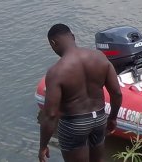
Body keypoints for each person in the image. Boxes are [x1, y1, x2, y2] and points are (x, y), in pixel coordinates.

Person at [38, 24, 122, 162]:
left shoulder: (56, 72)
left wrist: (43, 146)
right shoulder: (99, 57)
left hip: (74, 124)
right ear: (73, 37)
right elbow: (117, 93)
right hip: (99, 118)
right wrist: (112, 118)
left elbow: (50, 115)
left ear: (53, 43)